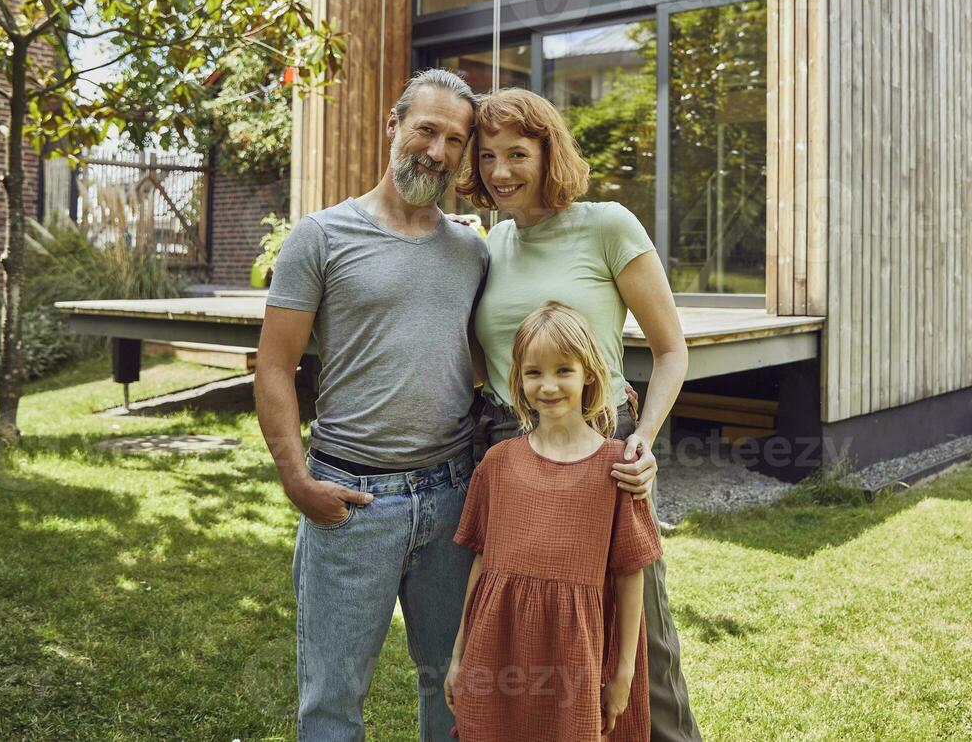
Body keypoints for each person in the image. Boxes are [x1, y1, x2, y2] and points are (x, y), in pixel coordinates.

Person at [456, 87, 702, 741]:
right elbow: (490, 357)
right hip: (507, 445)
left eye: (517, 153)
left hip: (602, 448)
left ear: (549, 152)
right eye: (487, 157)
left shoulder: (608, 225)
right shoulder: (493, 242)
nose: (501, 171)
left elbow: (671, 348)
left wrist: (643, 439)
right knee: (529, 632)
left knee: (639, 632)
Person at [255, 69, 487, 742]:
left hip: (452, 496)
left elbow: (487, 355)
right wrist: (296, 478)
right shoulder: (320, 237)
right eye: (425, 130)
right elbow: (274, 366)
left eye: (454, 138)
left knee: (456, 684)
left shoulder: (472, 249)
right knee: (331, 701)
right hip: (349, 500)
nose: (437, 152)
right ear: (393, 128)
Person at [445, 303, 663, 742]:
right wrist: (457, 657)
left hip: (577, 660)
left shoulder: (617, 466)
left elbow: (630, 576)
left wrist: (623, 673)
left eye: (563, 370)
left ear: (589, 375)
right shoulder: (498, 463)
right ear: (518, 381)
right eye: (533, 373)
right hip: (499, 652)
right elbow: (481, 566)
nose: (548, 386)